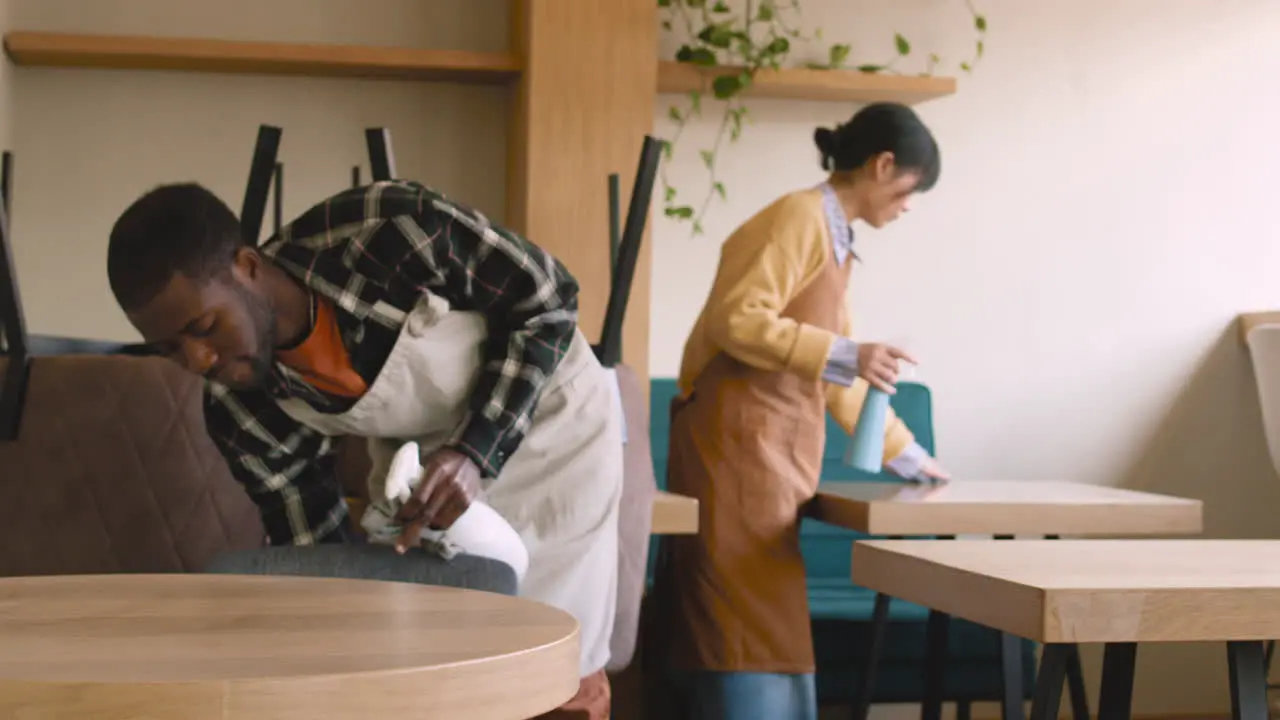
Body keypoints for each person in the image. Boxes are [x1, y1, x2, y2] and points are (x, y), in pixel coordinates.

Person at [105, 180, 622, 719]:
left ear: (248, 267)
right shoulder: (239, 412)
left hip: (552, 427)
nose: (198, 360)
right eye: (170, 349)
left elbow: (548, 297)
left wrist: (474, 452)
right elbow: (320, 565)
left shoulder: (383, 235)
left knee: (560, 664)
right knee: (441, 670)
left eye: (205, 327)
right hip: (418, 465)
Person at [647, 102, 951, 719]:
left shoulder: (836, 241)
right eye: (911, 188)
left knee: (753, 625)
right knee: (742, 624)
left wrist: (907, 454)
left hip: (767, 459)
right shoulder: (799, 218)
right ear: (883, 164)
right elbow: (739, 320)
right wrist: (846, 352)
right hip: (734, 452)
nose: (909, 203)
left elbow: (836, 378)